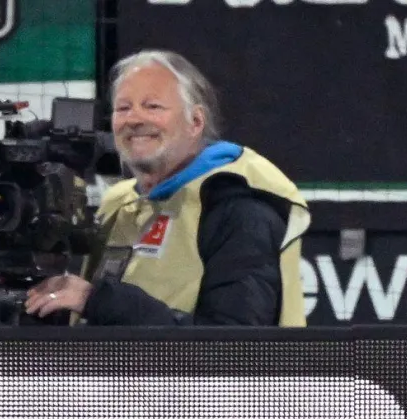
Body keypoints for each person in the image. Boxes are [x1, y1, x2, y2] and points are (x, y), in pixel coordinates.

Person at [23, 50, 309, 326]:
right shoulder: (118, 204)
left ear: (195, 121)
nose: (134, 119)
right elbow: (98, 318)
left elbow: (235, 348)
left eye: (153, 106)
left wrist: (96, 300)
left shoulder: (238, 205)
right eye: (123, 108)